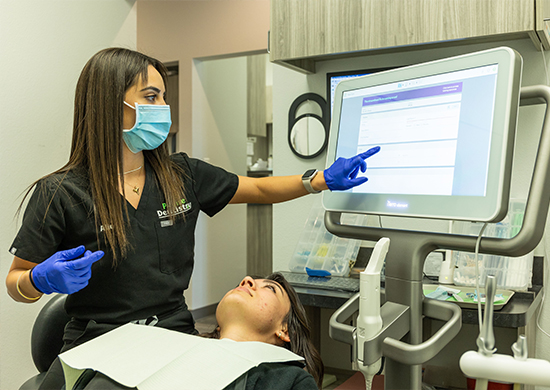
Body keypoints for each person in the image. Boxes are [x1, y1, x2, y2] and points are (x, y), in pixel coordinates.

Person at [5, 47, 379, 390]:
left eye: (164, 96)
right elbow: (16, 281)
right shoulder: (61, 193)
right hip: (96, 344)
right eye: (151, 97)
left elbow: (260, 190)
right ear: (108, 105)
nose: (163, 106)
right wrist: (37, 279)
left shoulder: (181, 175)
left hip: (171, 334)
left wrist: (320, 180)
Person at [74, 273, 322, 390]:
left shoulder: (288, 380)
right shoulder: (173, 349)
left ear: (284, 330)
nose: (246, 280)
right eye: (245, 281)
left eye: (269, 288)